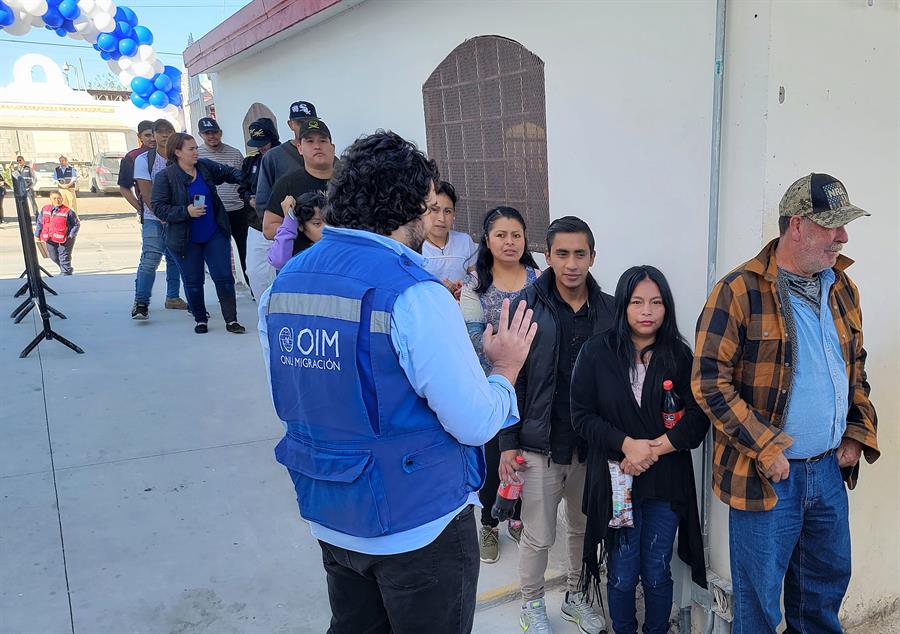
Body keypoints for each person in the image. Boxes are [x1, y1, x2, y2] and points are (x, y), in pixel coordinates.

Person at [259, 130, 537, 634]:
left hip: (330, 512)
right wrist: (505, 369)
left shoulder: (285, 284)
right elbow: (474, 422)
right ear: (410, 209)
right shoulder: (413, 294)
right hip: (417, 526)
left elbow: (299, 392)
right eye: (429, 207)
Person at [692, 173, 880, 634]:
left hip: (829, 473)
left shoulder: (842, 288)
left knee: (820, 599)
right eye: (832, 225)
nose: (843, 237)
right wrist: (767, 447)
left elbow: (855, 368)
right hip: (767, 477)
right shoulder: (738, 291)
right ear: (796, 225)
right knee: (758, 609)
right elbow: (708, 382)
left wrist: (856, 433)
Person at [571, 265, 709, 634]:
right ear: (623, 306)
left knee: (657, 569)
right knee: (621, 572)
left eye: (656, 302)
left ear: (667, 308)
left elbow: (697, 419)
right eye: (637, 302)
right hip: (618, 483)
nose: (647, 311)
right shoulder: (596, 353)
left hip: (665, 483)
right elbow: (581, 417)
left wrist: (652, 451)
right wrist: (626, 445)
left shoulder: (679, 356)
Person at [499, 216, 613, 634]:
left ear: (592, 257)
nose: (571, 263)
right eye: (562, 254)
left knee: (583, 530)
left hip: (590, 445)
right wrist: (507, 442)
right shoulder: (525, 305)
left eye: (579, 254)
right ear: (547, 256)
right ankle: (530, 604)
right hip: (539, 444)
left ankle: (575, 596)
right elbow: (510, 377)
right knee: (538, 534)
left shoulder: (609, 310)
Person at [459, 206, 539, 563]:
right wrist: (506, 367)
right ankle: (490, 522)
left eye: (516, 235)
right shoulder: (475, 284)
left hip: (537, 387)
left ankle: (516, 515)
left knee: (526, 457)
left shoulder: (540, 279)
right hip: (493, 386)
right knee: (495, 460)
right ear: (487, 240)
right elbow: (474, 342)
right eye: (501, 235)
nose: (510, 242)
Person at [152, 133, 246, 335]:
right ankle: (200, 319)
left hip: (214, 232)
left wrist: (247, 180)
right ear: (178, 152)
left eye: (196, 148)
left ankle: (231, 320)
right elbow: (158, 208)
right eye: (191, 149)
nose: (196, 152)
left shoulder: (204, 167)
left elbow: (228, 173)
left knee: (224, 277)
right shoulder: (165, 177)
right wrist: (185, 211)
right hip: (185, 238)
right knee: (193, 281)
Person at [246, 100, 318, 300]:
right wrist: (283, 229)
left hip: (320, 241)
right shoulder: (274, 157)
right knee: (289, 295)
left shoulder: (326, 155)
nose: (304, 125)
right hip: (289, 239)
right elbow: (262, 201)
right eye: (299, 122)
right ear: (290, 124)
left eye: (309, 121)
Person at [132, 118, 189, 319]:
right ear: (153, 135)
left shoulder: (181, 158)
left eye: (169, 131)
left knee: (175, 259)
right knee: (150, 259)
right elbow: (146, 193)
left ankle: (173, 297)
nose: (165, 135)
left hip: (177, 217)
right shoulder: (143, 160)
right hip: (153, 218)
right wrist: (161, 215)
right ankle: (141, 302)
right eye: (160, 131)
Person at [262, 116, 334, 240]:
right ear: (300, 148)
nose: (317, 146)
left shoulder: (349, 181)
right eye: (310, 141)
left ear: (332, 148)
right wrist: (297, 225)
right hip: (303, 257)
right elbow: (268, 230)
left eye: (322, 141)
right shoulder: (287, 184)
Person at [196, 117, 249, 280]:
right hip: (214, 213)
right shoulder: (197, 155)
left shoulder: (235, 153)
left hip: (238, 210)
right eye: (207, 133)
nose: (212, 136)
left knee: (245, 251)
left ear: (221, 133)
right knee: (220, 253)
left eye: (215, 132)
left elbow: (244, 181)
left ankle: (252, 288)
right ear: (201, 135)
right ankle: (226, 289)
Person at [239, 116, 279, 297]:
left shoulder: (284, 158)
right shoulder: (251, 162)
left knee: (279, 271)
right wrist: (250, 199)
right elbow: (243, 188)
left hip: (280, 222)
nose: (261, 147)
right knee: (254, 272)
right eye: (257, 143)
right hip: (256, 223)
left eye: (264, 142)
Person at [422, 180, 477, 300]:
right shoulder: (415, 247)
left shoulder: (464, 241)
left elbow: (476, 279)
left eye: (447, 211)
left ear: (454, 214)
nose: (441, 218)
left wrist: (463, 288)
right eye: (435, 210)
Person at [266, 190, 325, 270]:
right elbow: (279, 262)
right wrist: (289, 219)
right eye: (317, 223)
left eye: (328, 222)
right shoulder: (296, 252)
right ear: (300, 225)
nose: (325, 228)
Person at [34, 190, 80, 275]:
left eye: (59, 198)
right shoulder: (45, 209)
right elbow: (40, 223)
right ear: (50, 199)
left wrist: (71, 235)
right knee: (53, 256)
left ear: (62, 199)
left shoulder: (68, 211)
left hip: (65, 239)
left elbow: (76, 224)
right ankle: (67, 269)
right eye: (54, 198)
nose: (57, 200)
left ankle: (65, 273)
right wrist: (37, 234)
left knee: (64, 257)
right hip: (50, 237)